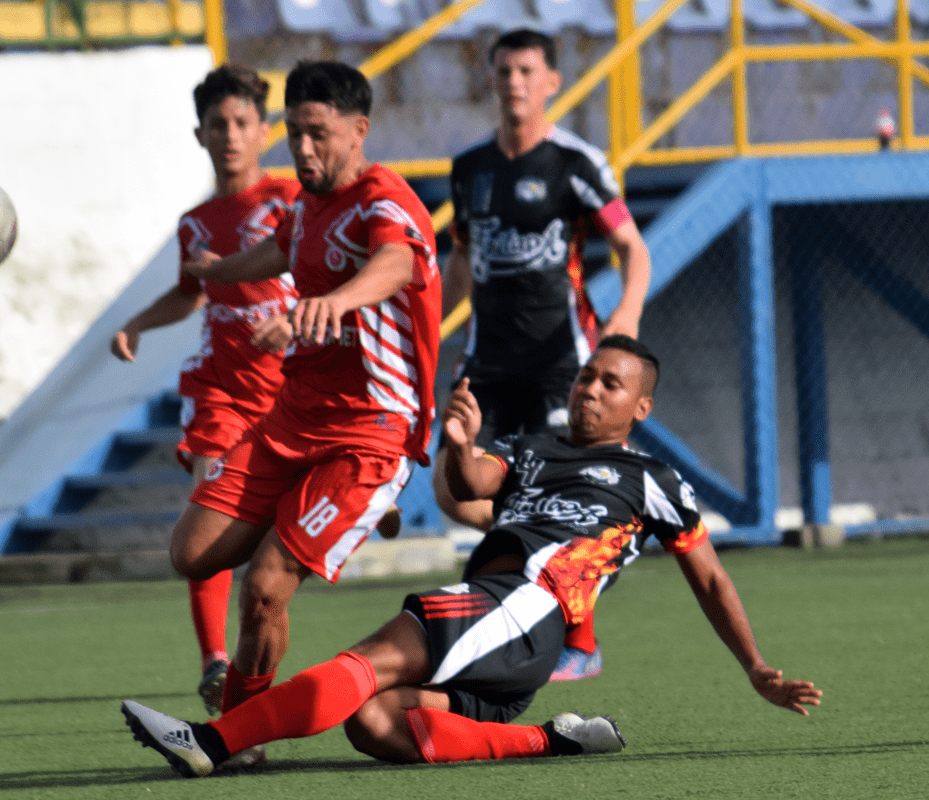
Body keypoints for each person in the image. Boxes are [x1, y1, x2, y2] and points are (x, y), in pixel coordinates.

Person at [121, 335, 822, 777]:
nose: (590, 390)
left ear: (640, 408)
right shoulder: (533, 448)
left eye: (611, 384)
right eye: (586, 377)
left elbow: (711, 580)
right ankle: (555, 741)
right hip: (498, 621)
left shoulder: (655, 482)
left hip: (527, 604)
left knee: (365, 665)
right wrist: (459, 444)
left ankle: (210, 744)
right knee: (374, 723)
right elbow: (472, 483)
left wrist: (756, 667)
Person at [169, 59, 441, 751]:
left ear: (359, 130)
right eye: (294, 133)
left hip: (370, 432)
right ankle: (341, 510)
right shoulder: (309, 203)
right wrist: (216, 271)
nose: (304, 149)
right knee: (191, 553)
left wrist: (332, 302)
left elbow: (395, 264)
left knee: (263, 587)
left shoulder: (387, 200)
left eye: (317, 133)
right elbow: (279, 248)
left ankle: (234, 735)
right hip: (294, 418)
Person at [433, 28, 653, 681]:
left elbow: (633, 249)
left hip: (564, 364)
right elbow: (464, 262)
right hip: (487, 363)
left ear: (552, 81)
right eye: (503, 71)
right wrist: (431, 334)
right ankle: (534, 571)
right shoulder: (469, 169)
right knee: (453, 486)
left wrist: (626, 320)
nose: (514, 82)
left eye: (527, 70)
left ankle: (578, 638)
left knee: (572, 493)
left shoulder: (575, 163)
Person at [109, 64, 302, 716]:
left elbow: (327, 274)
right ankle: (214, 663)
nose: (229, 135)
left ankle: (255, 660)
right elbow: (191, 294)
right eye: (217, 124)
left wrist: (298, 316)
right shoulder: (194, 224)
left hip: (290, 391)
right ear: (200, 134)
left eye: (242, 123)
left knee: (279, 548)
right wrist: (138, 320)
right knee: (207, 515)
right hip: (219, 390)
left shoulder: (291, 203)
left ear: (265, 130)